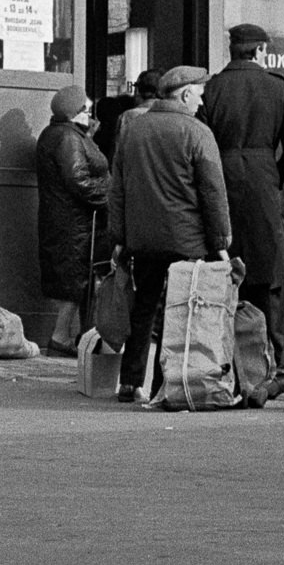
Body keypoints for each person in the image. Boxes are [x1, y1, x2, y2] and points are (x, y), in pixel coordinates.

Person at [105, 65, 231, 404]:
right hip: (186, 239)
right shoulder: (197, 132)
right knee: (178, 312)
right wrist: (220, 242)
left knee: (143, 307)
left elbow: (117, 188)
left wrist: (118, 236)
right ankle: (166, 384)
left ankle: (130, 382)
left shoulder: (133, 129)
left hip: (142, 239)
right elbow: (213, 193)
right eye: (199, 95)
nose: (201, 103)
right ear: (186, 94)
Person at [199, 22, 284, 400]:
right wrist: (275, 180)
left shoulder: (211, 87)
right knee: (267, 281)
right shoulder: (277, 87)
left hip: (222, 184)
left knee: (224, 275)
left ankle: (223, 361)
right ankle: (274, 366)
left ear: (232, 51)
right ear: (261, 51)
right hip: (262, 187)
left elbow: (202, 144)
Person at [35, 84, 109, 357]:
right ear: (74, 112)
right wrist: (108, 196)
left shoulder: (62, 134)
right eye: (84, 108)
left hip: (67, 219)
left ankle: (65, 336)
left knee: (75, 279)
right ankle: (60, 337)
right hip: (73, 222)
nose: (89, 111)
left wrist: (88, 134)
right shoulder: (67, 138)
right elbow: (78, 179)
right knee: (73, 281)